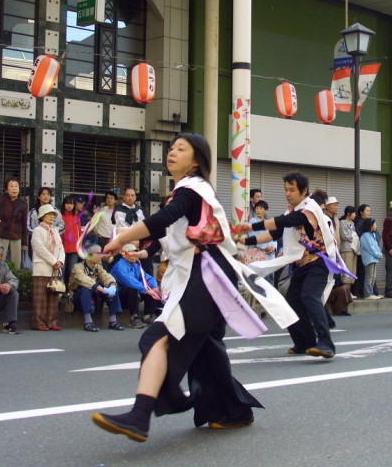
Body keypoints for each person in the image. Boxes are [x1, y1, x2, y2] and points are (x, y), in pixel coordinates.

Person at [92, 133, 296, 442]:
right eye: (171, 148)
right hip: (207, 272)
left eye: (180, 149)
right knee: (206, 351)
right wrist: (140, 249)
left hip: (208, 274)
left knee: (160, 337)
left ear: (197, 160)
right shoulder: (186, 192)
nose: (172, 153)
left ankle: (143, 413)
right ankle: (232, 411)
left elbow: (164, 219)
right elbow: (167, 232)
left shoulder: (192, 188)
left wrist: (121, 238)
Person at [237, 173, 339, 358]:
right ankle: (304, 342)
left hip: (319, 262)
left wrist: (251, 226)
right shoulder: (292, 210)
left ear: (304, 191)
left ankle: (326, 344)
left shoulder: (309, 209)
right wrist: (245, 239)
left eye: (292, 190)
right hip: (301, 265)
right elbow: (274, 233)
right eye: (286, 189)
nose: (288, 193)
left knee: (309, 296)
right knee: (291, 302)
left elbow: (282, 222)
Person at [69, 243, 121, 332]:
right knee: (85, 288)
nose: (101, 255)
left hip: (94, 292)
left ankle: (113, 321)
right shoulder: (78, 267)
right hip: (78, 296)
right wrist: (100, 288)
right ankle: (88, 322)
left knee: (113, 289)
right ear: (89, 255)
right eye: (98, 253)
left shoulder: (98, 267)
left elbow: (106, 276)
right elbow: (83, 279)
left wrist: (112, 285)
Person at [31, 204, 65, 331]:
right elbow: (39, 249)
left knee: (53, 297)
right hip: (41, 268)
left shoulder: (55, 231)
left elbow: (61, 247)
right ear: (42, 216)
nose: (52, 217)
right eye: (50, 214)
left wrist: (60, 261)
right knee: (40, 298)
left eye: (53, 215)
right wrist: (53, 261)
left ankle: (52, 322)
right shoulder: (37, 231)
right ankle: (39, 323)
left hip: (55, 268)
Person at [111, 242, 161, 328]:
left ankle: (148, 315)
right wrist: (145, 290)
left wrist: (154, 286)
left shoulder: (135, 265)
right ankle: (134, 318)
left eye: (135, 253)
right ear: (124, 254)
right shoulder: (119, 266)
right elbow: (129, 281)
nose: (135, 255)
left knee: (152, 288)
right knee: (133, 288)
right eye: (131, 253)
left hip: (135, 293)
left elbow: (146, 277)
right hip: (119, 297)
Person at [0, 177, 28, 267]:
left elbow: (24, 223)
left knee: (16, 263)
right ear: (6, 189)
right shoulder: (0, 199)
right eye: (11, 186)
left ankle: (14, 280)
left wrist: (24, 242)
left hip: (16, 235)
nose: (14, 188)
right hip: (1, 233)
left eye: (16, 186)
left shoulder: (23, 204)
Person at [360, 218, 383, 299]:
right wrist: (378, 254)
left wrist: (379, 254)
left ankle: (371, 293)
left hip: (373, 258)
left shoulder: (371, 234)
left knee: (373, 277)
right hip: (369, 259)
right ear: (370, 225)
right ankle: (368, 294)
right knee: (369, 277)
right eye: (375, 224)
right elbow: (370, 248)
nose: (376, 226)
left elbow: (375, 246)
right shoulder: (365, 235)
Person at [61, 196, 81, 285]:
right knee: (62, 270)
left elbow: (79, 233)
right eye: (67, 203)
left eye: (71, 204)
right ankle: (60, 290)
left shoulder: (76, 217)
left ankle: (69, 291)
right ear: (64, 204)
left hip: (73, 249)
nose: (69, 206)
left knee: (71, 270)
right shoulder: (60, 217)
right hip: (61, 247)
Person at [353, 203, 372, 297]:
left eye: (370, 211)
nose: (369, 212)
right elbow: (359, 235)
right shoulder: (361, 222)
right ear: (361, 212)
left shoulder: (364, 221)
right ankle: (358, 291)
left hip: (363, 250)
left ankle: (359, 291)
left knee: (362, 271)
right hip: (361, 250)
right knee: (361, 271)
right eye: (367, 210)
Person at [338, 206, 358, 291]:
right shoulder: (342, 222)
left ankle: (348, 292)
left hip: (353, 249)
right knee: (347, 270)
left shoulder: (353, 223)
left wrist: (352, 237)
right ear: (348, 213)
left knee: (352, 271)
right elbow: (344, 235)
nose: (355, 215)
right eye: (353, 213)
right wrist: (352, 236)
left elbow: (353, 236)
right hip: (346, 249)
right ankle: (345, 293)